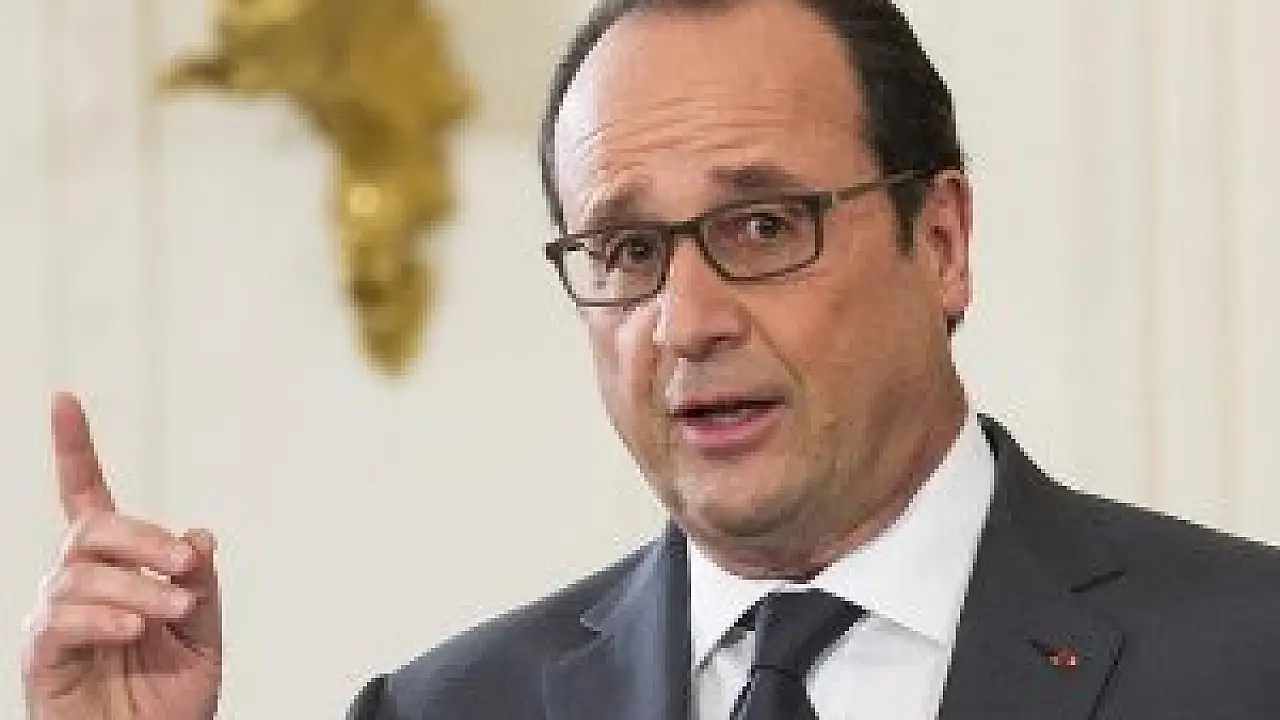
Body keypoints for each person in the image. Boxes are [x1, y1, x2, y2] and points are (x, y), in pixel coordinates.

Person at [21, 0, 1280, 718]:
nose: (685, 320)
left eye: (762, 226)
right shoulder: (447, 712)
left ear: (939, 242)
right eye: (625, 250)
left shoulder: (1249, 655)